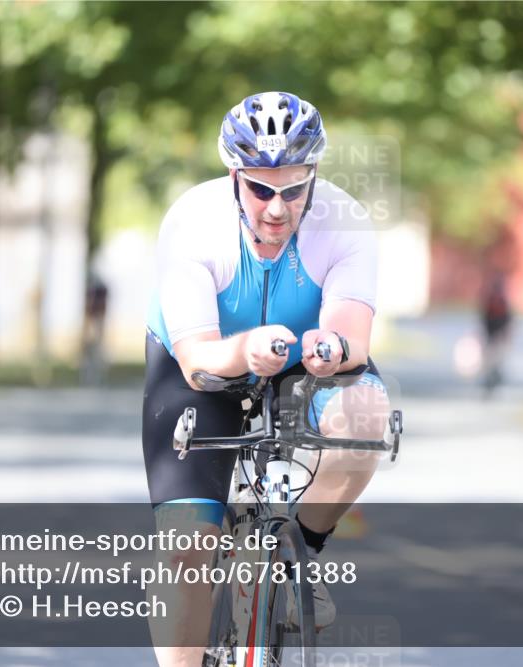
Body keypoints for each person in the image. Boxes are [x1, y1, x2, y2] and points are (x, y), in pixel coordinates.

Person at [142, 91, 391, 666]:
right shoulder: (193, 222)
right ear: (234, 176)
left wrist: (333, 349)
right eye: (260, 189)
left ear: (314, 177)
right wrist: (246, 349)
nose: (276, 208)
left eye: (293, 189)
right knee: (186, 546)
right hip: (204, 359)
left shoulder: (344, 222)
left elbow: (352, 336)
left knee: (365, 420)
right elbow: (196, 357)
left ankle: (301, 548)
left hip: (302, 351)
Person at [479, 272, 512, 397]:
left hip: (495, 333)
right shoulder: (494, 300)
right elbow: (485, 317)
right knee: (492, 358)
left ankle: (495, 376)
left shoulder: (500, 301)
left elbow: (507, 318)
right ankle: (492, 377)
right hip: (492, 333)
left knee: (495, 357)